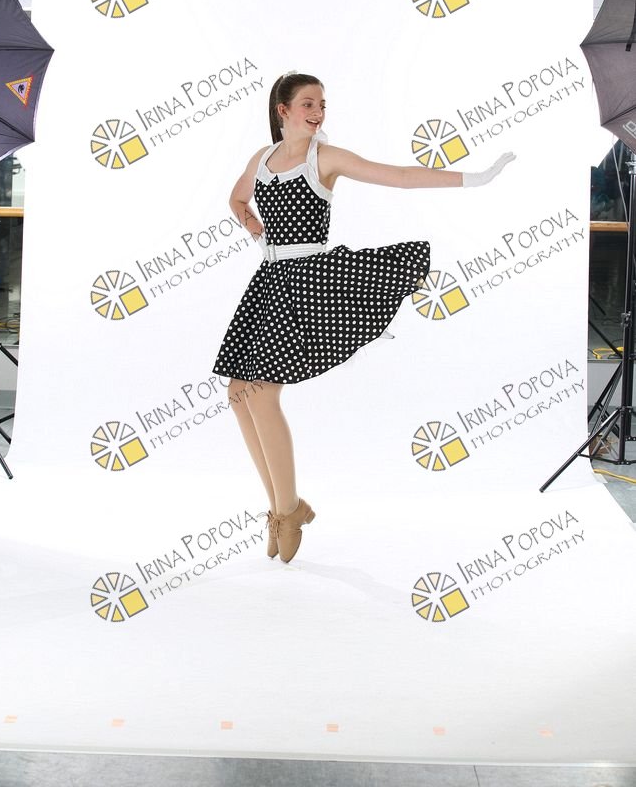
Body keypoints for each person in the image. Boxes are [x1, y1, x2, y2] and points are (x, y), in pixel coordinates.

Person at [212, 72, 514, 564]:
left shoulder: (325, 158)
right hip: (269, 282)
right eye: (308, 103)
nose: (318, 112)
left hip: (310, 284)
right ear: (283, 110)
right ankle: (282, 508)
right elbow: (237, 198)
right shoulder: (261, 159)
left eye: (322, 104)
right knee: (238, 393)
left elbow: (398, 176)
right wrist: (252, 226)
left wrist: (472, 177)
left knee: (262, 393)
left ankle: (287, 512)